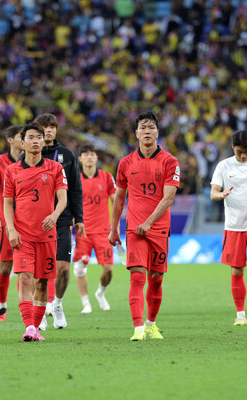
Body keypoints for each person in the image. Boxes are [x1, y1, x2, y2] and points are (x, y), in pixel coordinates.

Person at [108, 112, 180, 341]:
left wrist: (149, 222)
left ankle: (151, 324)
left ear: (158, 132)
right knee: (137, 276)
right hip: (134, 229)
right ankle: (138, 327)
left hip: (158, 229)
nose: (147, 131)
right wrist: (113, 228)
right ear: (136, 133)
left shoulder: (170, 161)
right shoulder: (126, 163)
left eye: (151, 127)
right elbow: (119, 198)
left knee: (156, 279)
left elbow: (168, 198)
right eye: (143, 127)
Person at [3, 123, 68, 342]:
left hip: (47, 235)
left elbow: (63, 198)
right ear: (22, 143)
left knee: (42, 283)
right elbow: (7, 203)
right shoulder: (12, 171)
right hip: (22, 235)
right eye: (31, 137)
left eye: (39, 137)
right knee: (24, 279)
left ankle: (36, 328)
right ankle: (29, 327)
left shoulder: (55, 168)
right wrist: (11, 229)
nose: (35, 141)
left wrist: (54, 215)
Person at [209, 130, 247, 326]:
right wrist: (222, 194)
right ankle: (240, 314)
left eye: (245, 151)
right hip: (234, 226)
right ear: (233, 148)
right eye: (238, 152)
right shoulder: (224, 166)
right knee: (237, 270)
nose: (242, 155)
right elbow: (213, 193)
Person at [34, 113, 84, 330]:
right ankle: (40, 311)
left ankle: (57, 304)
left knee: (63, 269)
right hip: (36, 219)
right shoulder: (29, 156)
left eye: (52, 126)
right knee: (40, 273)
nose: (49, 130)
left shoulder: (66, 155)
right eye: (44, 127)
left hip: (62, 218)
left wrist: (79, 217)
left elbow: (75, 187)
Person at [0, 125, 24, 321]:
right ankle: (2, 307)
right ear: (10, 140)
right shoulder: (0, 162)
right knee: (5, 267)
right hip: (9, 221)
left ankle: (31, 308)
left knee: (30, 269)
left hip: (30, 222)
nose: (24, 140)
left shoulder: (32, 159)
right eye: (21, 137)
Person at [73, 144, 116, 314]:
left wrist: (116, 224)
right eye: (86, 154)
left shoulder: (106, 177)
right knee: (80, 268)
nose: (89, 157)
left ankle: (100, 293)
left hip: (103, 231)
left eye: (92, 154)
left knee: (109, 270)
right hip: (83, 232)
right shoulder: (75, 179)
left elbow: (117, 200)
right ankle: (86, 303)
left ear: (96, 158)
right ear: (80, 158)